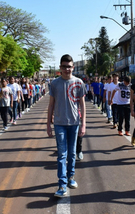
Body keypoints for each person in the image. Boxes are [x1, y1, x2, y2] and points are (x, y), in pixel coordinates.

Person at [47, 54, 86, 198]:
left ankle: (71, 177)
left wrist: (83, 125)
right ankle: (62, 184)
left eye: (69, 66)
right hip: (59, 124)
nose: (67, 69)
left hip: (74, 123)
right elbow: (51, 104)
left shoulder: (79, 82)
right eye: (64, 66)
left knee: (71, 153)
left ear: (73, 67)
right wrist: (48, 125)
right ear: (60, 68)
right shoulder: (55, 84)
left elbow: (82, 105)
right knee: (62, 155)